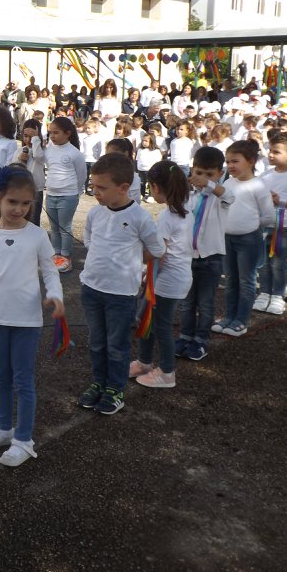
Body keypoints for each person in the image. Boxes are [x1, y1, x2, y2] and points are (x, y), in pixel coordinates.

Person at [0, 166, 63, 463]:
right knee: (1, 377)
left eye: (26, 203)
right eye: (12, 202)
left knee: (23, 379)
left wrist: (56, 296)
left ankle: (24, 439)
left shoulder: (37, 235)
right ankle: (4, 429)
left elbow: (50, 269)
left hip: (26, 320)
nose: (19, 209)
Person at [77, 153, 164, 415]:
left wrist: (131, 263)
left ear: (124, 188)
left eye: (101, 188)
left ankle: (115, 388)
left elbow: (157, 249)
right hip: (91, 288)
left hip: (121, 294)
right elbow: (89, 238)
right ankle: (99, 382)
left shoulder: (140, 217)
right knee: (96, 341)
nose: (95, 192)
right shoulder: (95, 213)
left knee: (116, 344)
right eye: (93, 186)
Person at [129, 162, 193, 389]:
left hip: (168, 280)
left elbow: (159, 253)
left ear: (155, 187)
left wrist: (138, 264)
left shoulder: (168, 216)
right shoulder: (183, 210)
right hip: (173, 277)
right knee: (146, 317)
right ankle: (144, 362)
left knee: (161, 325)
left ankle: (167, 372)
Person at [176, 147, 233, 362]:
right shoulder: (188, 196)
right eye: (199, 173)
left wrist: (209, 184)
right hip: (187, 256)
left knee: (206, 302)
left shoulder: (220, 197)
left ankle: (201, 340)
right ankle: (185, 336)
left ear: (220, 174)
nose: (202, 179)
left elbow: (230, 196)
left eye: (210, 174)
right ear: (192, 170)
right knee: (188, 301)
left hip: (211, 258)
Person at [213, 141, 275, 338]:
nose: (230, 165)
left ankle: (241, 319)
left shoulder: (258, 185)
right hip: (227, 239)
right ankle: (229, 316)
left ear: (251, 161)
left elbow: (269, 216)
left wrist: (250, 225)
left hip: (248, 239)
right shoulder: (228, 183)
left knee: (246, 280)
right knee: (231, 279)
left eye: (235, 161)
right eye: (228, 161)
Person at [253, 134, 287, 315]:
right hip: (265, 225)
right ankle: (264, 293)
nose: (270, 155)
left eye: (276, 152)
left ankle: (277, 295)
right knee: (262, 262)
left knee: (279, 262)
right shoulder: (266, 175)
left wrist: (280, 201)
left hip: (285, 227)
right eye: (270, 151)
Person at [43, 117, 86, 272]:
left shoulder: (75, 153)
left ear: (67, 133)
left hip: (68, 196)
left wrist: (76, 192)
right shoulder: (48, 149)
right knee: (54, 228)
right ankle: (57, 254)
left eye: (56, 133)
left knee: (64, 227)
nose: (52, 136)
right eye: (50, 133)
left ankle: (66, 257)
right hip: (51, 194)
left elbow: (81, 175)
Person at [14, 118, 46, 226]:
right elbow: (12, 167)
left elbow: (38, 156)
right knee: (20, 217)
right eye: (25, 136)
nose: (28, 139)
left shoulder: (41, 150)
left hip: (36, 188)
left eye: (31, 136)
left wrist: (36, 139)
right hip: (21, 188)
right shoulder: (20, 150)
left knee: (33, 218)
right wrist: (19, 159)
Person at [136, 133, 163, 202]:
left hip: (150, 170)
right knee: (142, 183)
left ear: (151, 141)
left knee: (150, 183)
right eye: (143, 141)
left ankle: (151, 196)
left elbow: (158, 161)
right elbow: (137, 159)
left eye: (146, 141)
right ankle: (142, 194)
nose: (144, 143)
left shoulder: (156, 151)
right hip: (141, 170)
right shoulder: (140, 150)